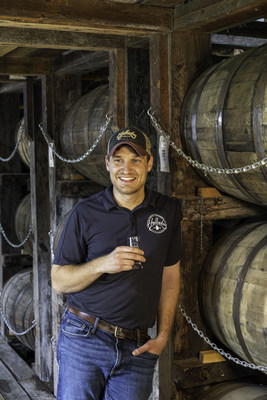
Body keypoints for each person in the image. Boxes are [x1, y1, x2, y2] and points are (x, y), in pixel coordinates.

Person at [51, 126, 181, 400]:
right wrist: (103, 264)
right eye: (119, 160)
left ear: (149, 163)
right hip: (85, 337)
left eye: (135, 159)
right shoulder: (86, 212)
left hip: (137, 346)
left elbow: (170, 275)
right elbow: (59, 281)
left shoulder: (168, 210)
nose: (127, 168)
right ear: (108, 164)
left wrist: (163, 336)